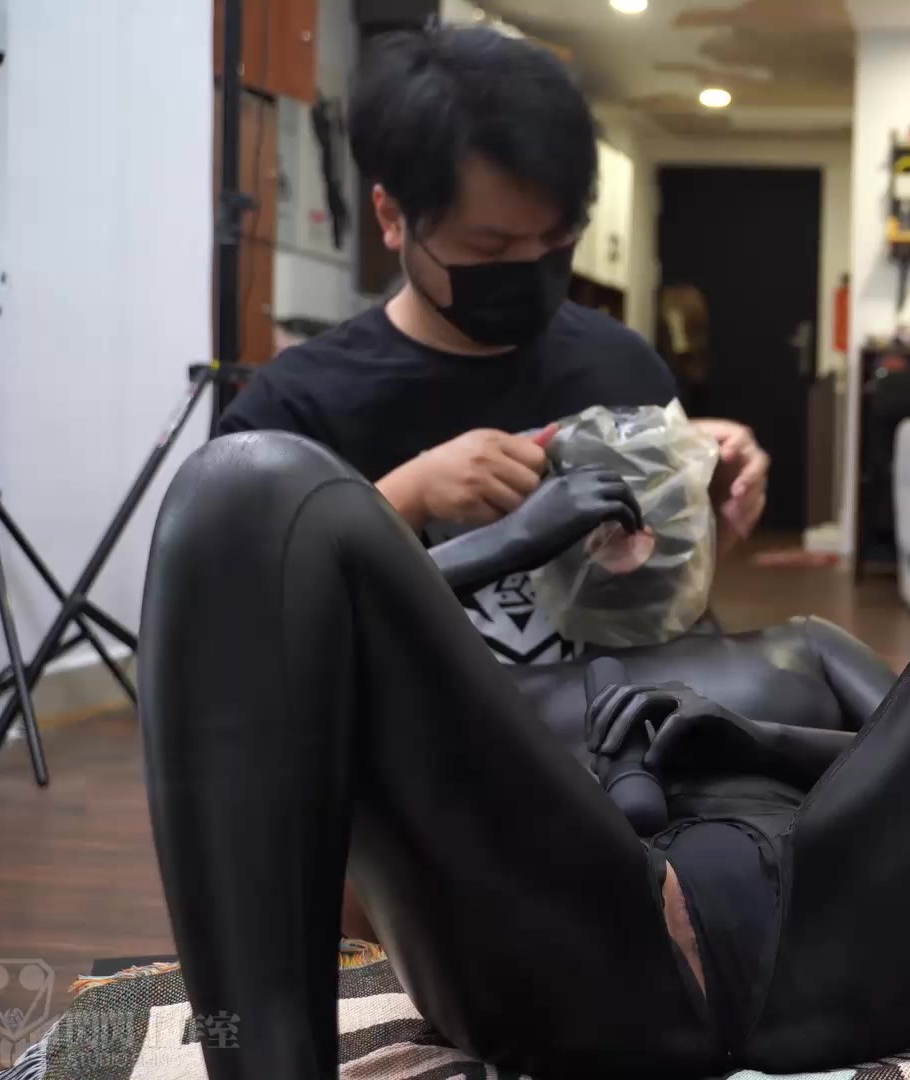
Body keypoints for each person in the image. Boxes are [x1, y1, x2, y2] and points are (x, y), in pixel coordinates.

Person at [140, 409, 910, 1080]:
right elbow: (304, 684)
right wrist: (498, 545)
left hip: (854, 917)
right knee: (246, 484)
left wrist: (763, 740)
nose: (624, 524)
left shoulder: (800, 643)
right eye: (591, 503)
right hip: (576, 957)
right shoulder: (497, 691)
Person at [216, 25, 768, 666]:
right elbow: (238, 624)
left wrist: (706, 505)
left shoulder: (622, 366)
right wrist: (408, 497)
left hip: (601, 727)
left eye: (557, 239)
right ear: (392, 217)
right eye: (490, 247)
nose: (530, 268)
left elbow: (659, 607)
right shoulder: (293, 412)